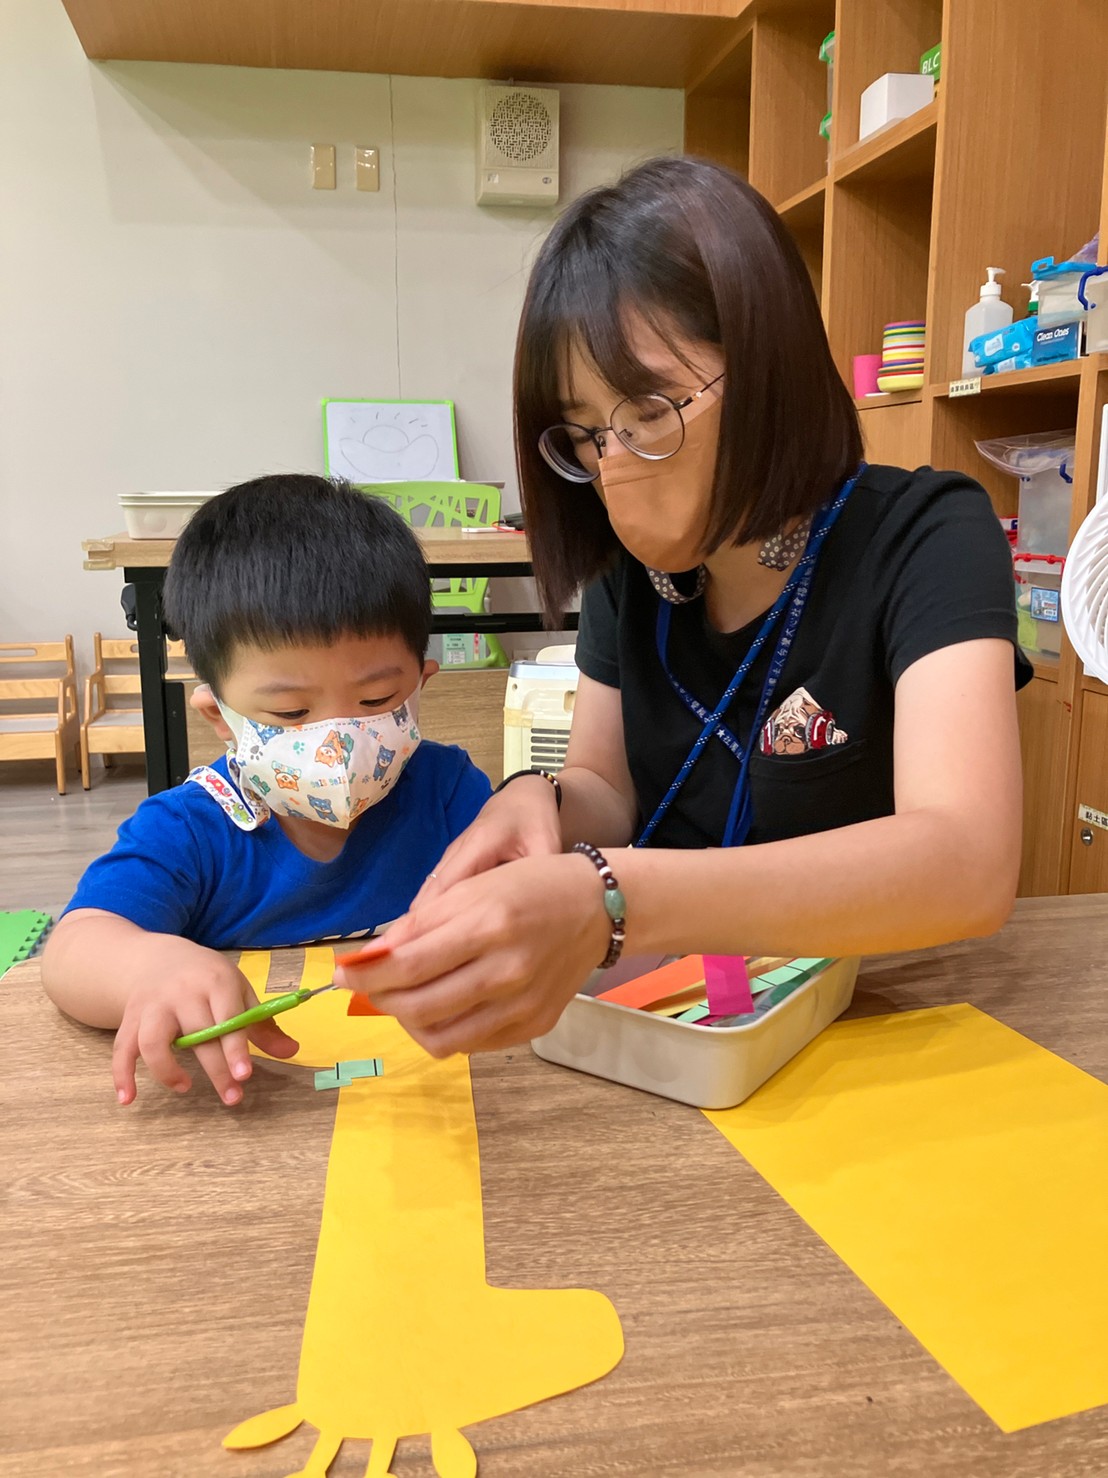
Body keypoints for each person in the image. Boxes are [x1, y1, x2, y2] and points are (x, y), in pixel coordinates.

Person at [338, 156, 1030, 1057]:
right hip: (674, 1024)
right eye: (586, 433)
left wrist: (609, 898)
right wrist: (537, 800)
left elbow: (966, 865)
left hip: (879, 1027)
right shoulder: (631, 578)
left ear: (768, 366)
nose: (612, 463)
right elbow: (607, 790)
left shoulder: (927, 534)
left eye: (650, 411)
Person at [42, 476, 492, 1104]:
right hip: (252, 1107)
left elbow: (517, 901)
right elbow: (73, 949)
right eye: (290, 714)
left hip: (423, 1095)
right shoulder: (189, 832)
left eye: (376, 700)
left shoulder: (448, 792)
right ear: (219, 716)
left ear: (422, 685)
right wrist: (148, 966)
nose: (335, 743)